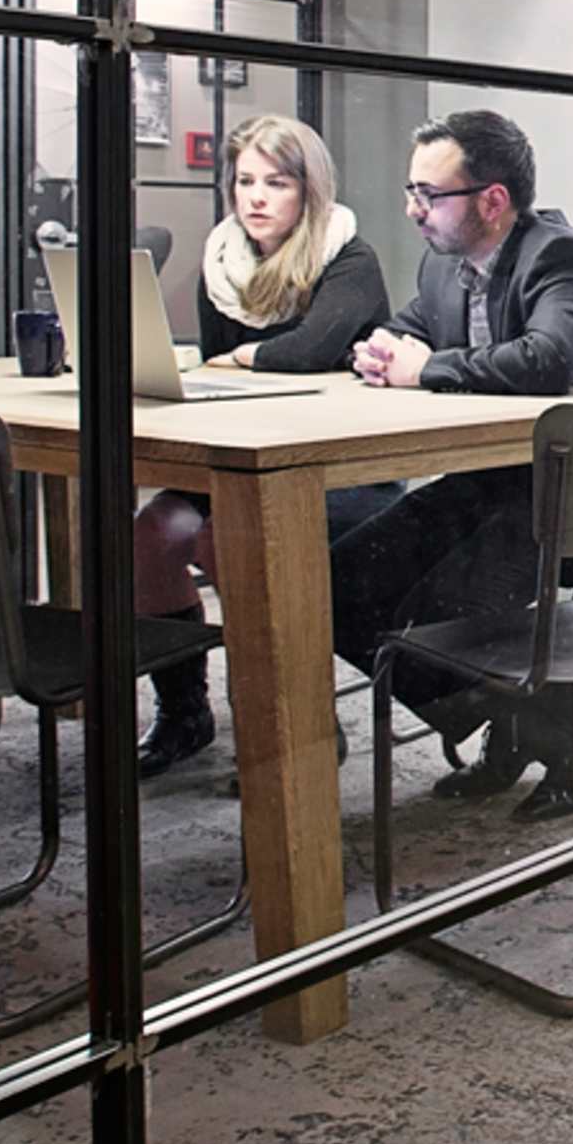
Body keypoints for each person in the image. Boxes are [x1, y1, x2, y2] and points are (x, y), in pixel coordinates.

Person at [332, 108, 573, 808]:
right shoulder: (445, 264)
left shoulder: (562, 257)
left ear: (493, 200)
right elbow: (409, 330)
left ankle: (549, 735)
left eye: (428, 195)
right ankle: (522, 722)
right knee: (338, 585)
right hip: (488, 482)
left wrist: (425, 369)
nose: (412, 210)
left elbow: (549, 358)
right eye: (412, 191)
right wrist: (379, 349)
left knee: (440, 615)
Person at [130, 116, 391, 777]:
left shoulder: (348, 256)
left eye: (276, 183)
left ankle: (300, 717)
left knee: (229, 541)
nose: (256, 198)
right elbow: (227, 371)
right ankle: (185, 713)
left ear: (309, 190)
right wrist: (248, 358)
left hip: (335, 465)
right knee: (153, 534)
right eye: (245, 181)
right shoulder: (223, 263)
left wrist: (250, 354)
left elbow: (310, 353)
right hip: (242, 456)